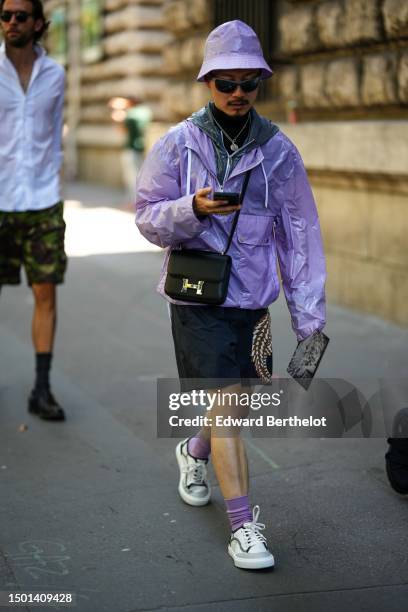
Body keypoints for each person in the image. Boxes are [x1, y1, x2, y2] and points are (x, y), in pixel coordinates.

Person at [135, 20, 326, 569]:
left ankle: (192, 452)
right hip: (196, 297)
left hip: (253, 300)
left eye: (249, 82)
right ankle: (244, 527)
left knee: (234, 403)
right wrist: (191, 209)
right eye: (226, 82)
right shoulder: (178, 143)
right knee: (227, 407)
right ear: (208, 83)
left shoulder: (279, 153)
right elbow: (147, 217)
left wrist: (309, 320)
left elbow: (301, 235)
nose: (238, 93)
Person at [0, 0, 66, 420]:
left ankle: (41, 389)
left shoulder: (56, 75)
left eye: (20, 16)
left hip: (43, 199)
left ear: (38, 23)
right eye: (5, 16)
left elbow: (54, 134)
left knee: (45, 293)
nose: (10, 23)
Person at [108, 96, 152, 204]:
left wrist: (118, 112)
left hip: (131, 149)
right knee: (140, 176)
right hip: (142, 148)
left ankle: (134, 202)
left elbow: (122, 130)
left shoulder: (130, 115)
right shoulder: (145, 112)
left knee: (131, 178)